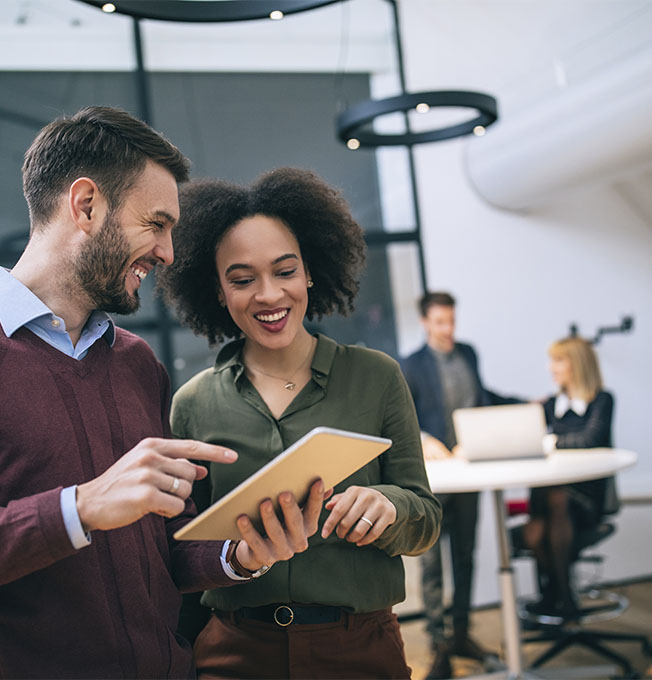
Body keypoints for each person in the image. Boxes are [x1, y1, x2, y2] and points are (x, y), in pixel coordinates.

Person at [0, 106, 326, 680]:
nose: (168, 253)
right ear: (86, 205)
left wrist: (239, 556)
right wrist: (79, 507)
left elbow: (162, 543)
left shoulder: (136, 361)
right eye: (157, 224)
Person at [158, 168, 441, 679]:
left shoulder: (376, 377)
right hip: (235, 652)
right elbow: (181, 553)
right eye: (242, 280)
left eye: (285, 271)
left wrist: (390, 506)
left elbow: (426, 518)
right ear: (219, 292)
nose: (269, 295)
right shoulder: (193, 404)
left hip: (359, 650)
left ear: (310, 271)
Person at [399, 292, 519, 679]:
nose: (448, 329)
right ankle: (439, 644)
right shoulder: (411, 365)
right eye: (439, 322)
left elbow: (482, 399)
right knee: (431, 563)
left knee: (465, 556)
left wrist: (524, 404)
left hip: (469, 473)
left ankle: (463, 633)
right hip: (433, 480)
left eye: (451, 321)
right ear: (425, 323)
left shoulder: (468, 354)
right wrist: (421, 437)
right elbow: (401, 417)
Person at [522, 336, 615, 620]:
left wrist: (549, 442)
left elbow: (590, 439)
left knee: (556, 499)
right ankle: (560, 596)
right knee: (539, 523)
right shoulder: (551, 405)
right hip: (551, 501)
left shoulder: (602, 400)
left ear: (578, 364)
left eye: (559, 360)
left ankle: (559, 597)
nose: (552, 367)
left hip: (585, 501)